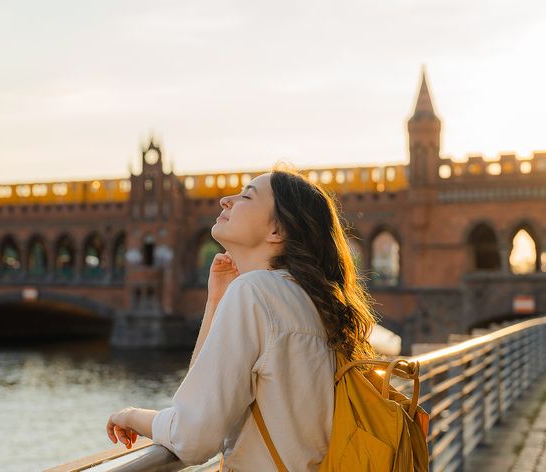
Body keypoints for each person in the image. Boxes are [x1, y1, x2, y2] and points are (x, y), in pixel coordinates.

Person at [106, 168, 378, 471]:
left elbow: (192, 436)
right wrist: (216, 300)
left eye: (247, 195)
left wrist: (131, 415)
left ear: (277, 231)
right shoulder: (309, 299)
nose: (225, 200)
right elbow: (200, 392)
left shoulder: (255, 292)